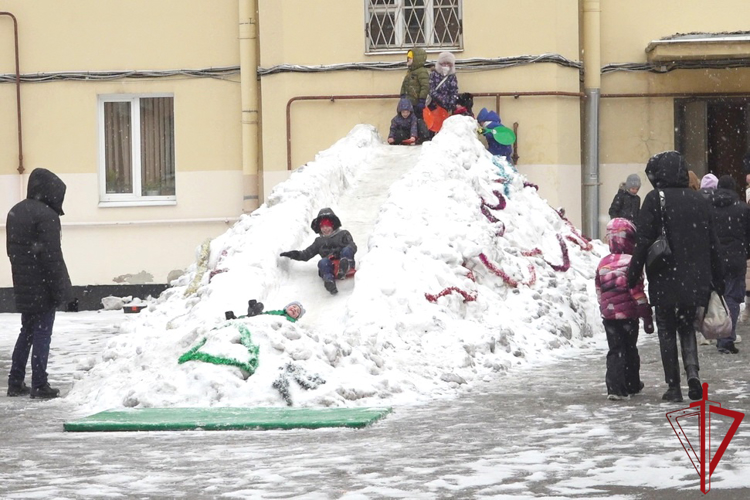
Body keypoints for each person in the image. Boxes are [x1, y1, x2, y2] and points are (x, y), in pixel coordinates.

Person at [627, 151, 723, 403]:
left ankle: (673, 386)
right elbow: (713, 242)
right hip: (694, 278)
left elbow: (643, 241)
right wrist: (718, 277)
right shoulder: (699, 200)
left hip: (664, 275)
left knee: (667, 330)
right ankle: (692, 373)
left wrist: (633, 272)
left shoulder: (654, 199)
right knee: (688, 327)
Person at [6, 168, 72, 399]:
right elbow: (52, 257)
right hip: (42, 285)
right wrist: (58, 290)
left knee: (27, 332)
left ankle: (15, 382)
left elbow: (11, 251)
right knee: (43, 333)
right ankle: (39, 384)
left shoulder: (16, 211)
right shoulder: (46, 216)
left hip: (23, 283)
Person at [595, 218, 654, 400]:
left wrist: (605, 307)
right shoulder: (632, 262)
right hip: (628, 315)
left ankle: (614, 387)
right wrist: (646, 315)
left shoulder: (603, 263)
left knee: (615, 349)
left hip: (609, 315)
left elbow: (599, 290)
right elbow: (637, 292)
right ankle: (631, 383)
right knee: (630, 349)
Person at [709, 175, 750, 354]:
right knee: (732, 298)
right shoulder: (741, 208)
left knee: (716, 297)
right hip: (736, 259)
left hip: (714, 259)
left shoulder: (708, 207)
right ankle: (727, 338)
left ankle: (717, 334)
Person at [280, 208, 357, 295]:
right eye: (323, 227)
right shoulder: (319, 242)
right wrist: (294, 254)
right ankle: (329, 281)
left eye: (327, 226)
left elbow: (352, 246)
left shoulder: (343, 234)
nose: (325, 229)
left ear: (333, 225)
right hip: (331, 266)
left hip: (345, 260)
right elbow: (306, 254)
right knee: (323, 262)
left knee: (347, 249)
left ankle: (345, 267)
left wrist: (341, 252)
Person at [399, 48, 429, 121]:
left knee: (417, 122)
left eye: (410, 58)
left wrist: (422, 100)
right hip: (408, 104)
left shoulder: (422, 72)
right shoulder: (410, 72)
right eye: (408, 58)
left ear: (416, 59)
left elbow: (425, 87)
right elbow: (404, 84)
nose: (408, 59)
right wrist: (402, 95)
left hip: (416, 103)